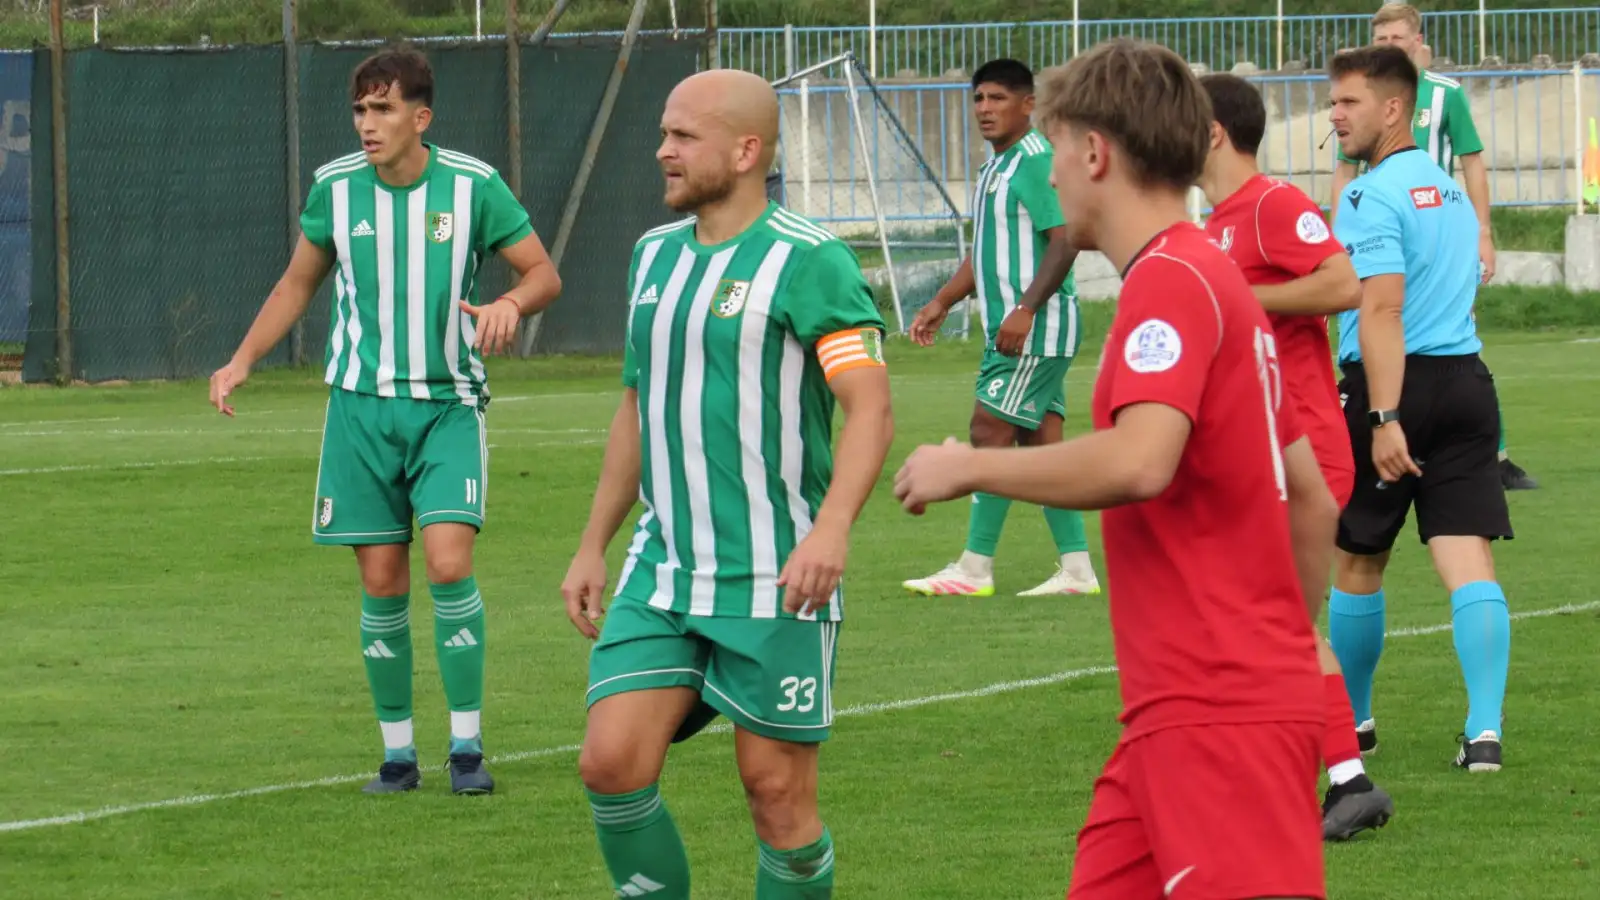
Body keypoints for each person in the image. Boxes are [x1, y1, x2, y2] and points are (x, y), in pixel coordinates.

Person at [895, 38, 1333, 900]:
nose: (1051, 176)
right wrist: (1289, 647)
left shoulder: (1170, 280)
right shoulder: (1216, 277)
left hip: (1217, 708)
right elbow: (1310, 499)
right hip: (1185, 710)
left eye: (1058, 151)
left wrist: (973, 470)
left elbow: (1140, 462)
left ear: (1095, 153)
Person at [559, 68, 895, 899]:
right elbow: (637, 405)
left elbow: (871, 407)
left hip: (776, 575)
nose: (662, 151)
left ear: (746, 151)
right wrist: (593, 543)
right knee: (609, 765)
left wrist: (834, 528)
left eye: (683, 136)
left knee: (776, 797)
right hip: (665, 567)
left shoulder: (810, 260)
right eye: (665, 133)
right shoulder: (653, 256)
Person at [208, 46, 563, 795]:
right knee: (381, 580)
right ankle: (397, 756)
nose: (367, 124)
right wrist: (242, 360)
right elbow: (297, 283)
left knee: (447, 563)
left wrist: (508, 304)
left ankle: (466, 748)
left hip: (446, 406)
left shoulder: (473, 187)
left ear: (420, 116)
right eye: (360, 110)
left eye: (383, 108)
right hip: (359, 412)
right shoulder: (335, 190)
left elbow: (543, 274)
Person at [1197, 72, 1397, 843]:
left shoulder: (1273, 204)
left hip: (1304, 447)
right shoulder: (1215, 222)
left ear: (1212, 131)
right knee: (1260, 620)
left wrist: (1236, 300)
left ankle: (1343, 778)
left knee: (1275, 620)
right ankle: (1310, 776)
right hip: (1258, 448)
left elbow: (1343, 282)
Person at [1326, 44, 1515, 772]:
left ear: (1393, 108)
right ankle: (1485, 731)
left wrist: (1382, 416)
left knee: (1359, 556)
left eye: (1349, 102)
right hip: (1467, 384)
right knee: (1466, 556)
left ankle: (1356, 720)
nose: (1335, 115)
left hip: (1396, 386)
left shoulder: (1368, 195)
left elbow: (1381, 310)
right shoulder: (1449, 189)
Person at [900, 58, 1101, 599]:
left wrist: (1027, 309)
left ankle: (974, 566)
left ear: (1028, 104)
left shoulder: (1035, 160)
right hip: (1026, 327)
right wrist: (942, 300)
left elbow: (1064, 238)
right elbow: (986, 251)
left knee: (988, 430)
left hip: (1033, 329)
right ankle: (1078, 571)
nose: (985, 109)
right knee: (1041, 447)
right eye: (979, 99)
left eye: (998, 99)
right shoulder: (997, 167)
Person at [1332, 3, 1538, 491]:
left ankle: (1494, 453)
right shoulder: (1360, 102)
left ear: (1418, 40)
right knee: (1381, 325)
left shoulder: (1444, 95)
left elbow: (1472, 162)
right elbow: (1345, 173)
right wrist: (1338, 237)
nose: (1390, 48)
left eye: (1398, 39)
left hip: (1436, 233)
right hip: (1382, 227)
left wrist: (1482, 232)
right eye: (1381, 41)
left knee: (1452, 336)